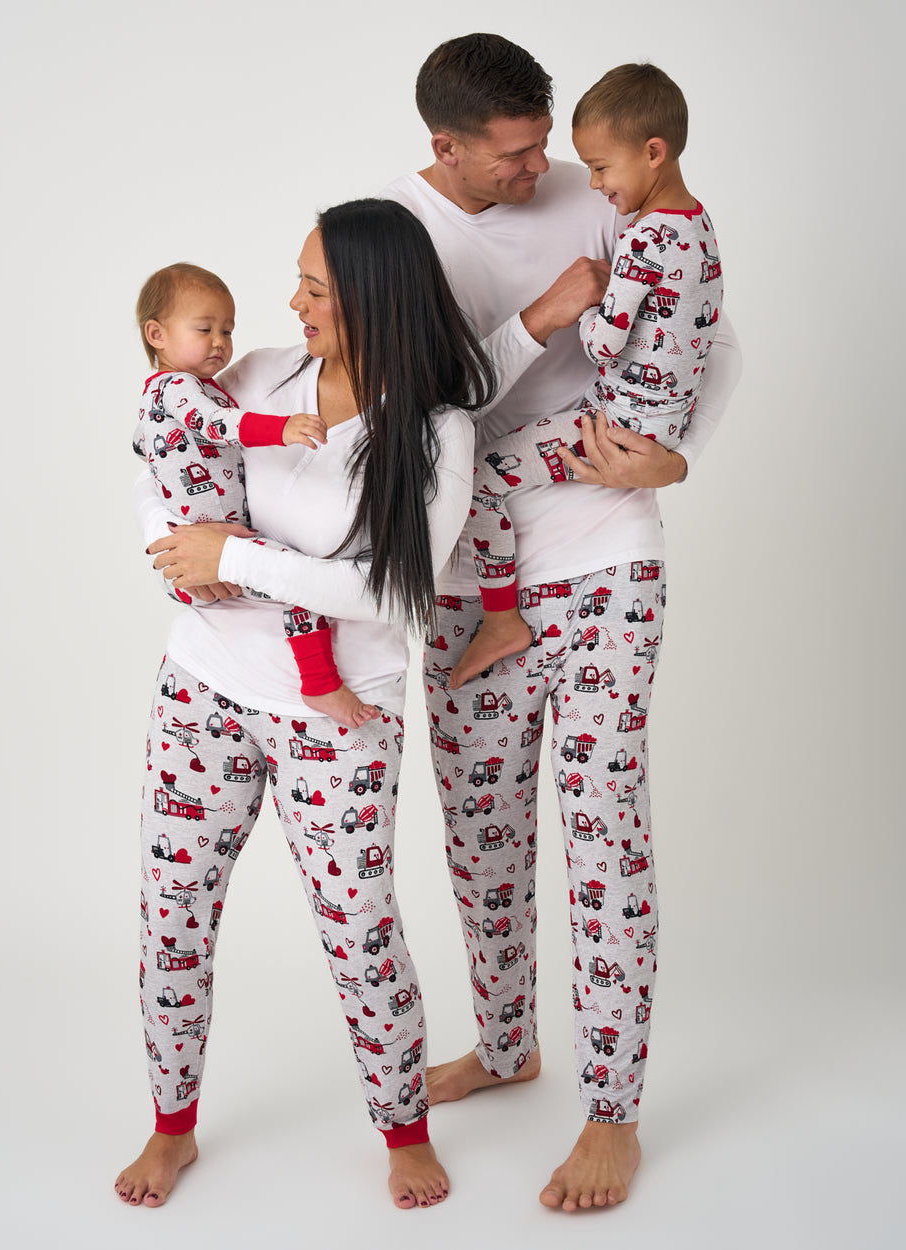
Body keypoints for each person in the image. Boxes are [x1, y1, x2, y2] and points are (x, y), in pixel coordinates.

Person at [116, 197, 582, 1210]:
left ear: (374, 296)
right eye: (298, 281)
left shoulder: (431, 429)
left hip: (341, 714)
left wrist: (231, 555)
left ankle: (402, 1127)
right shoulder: (259, 373)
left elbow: (386, 587)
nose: (290, 303)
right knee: (171, 915)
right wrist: (172, 552)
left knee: (357, 920)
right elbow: (165, 451)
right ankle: (171, 1123)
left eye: (315, 288)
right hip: (205, 684)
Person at [378, 33, 741, 1211]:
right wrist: (538, 318)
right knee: (482, 834)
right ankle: (503, 1042)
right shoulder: (392, 237)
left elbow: (702, 333)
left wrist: (673, 461)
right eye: (517, 154)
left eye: (551, 145)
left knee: (600, 834)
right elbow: (418, 410)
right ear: (447, 148)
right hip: (470, 580)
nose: (545, 172)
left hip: (599, 559)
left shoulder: (602, 189)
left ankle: (613, 1111)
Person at [452, 62, 725, 687]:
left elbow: (604, 345)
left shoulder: (641, 238)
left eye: (601, 167)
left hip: (615, 426)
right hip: (659, 420)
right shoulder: (698, 224)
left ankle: (500, 620)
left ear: (653, 152)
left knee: (479, 478)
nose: (594, 183)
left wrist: (586, 303)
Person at [134, 261, 379, 729]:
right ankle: (321, 682)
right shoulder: (179, 388)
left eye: (226, 330)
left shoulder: (174, 391)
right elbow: (215, 426)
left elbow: (141, 445)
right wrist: (280, 428)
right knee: (300, 582)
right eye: (203, 329)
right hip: (199, 556)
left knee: (292, 576)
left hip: (203, 555)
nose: (219, 342)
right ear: (156, 334)